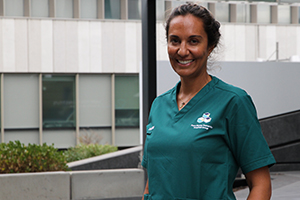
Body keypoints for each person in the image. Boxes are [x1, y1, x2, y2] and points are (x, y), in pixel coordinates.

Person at [141, 3, 276, 200]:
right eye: (175, 41)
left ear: (210, 46)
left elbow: (261, 185)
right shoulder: (159, 105)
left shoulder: (233, 102)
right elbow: (153, 181)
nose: (182, 51)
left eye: (193, 41)